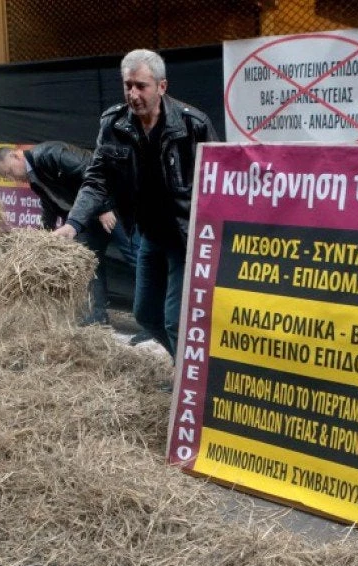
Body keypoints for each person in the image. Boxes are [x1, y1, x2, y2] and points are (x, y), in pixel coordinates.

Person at [55, 49, 218, 357]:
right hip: (149, 235)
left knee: (175, 322)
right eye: (127, 85)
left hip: (186, 236)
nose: (133, 93)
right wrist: (73, 224)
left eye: (141, 85)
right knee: (145, 316)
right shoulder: (114, 125)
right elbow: (96, 179)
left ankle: (189, 385)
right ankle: (184, 371)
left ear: (162, 86)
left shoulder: (192, 124)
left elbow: (218, 180)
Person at [0, 142, 139, 326]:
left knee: (137, 258)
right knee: (89, 262)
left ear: (15, 156)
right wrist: (43, 236)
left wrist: (105, 207)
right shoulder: (34, 177)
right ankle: (97, 316)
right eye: (6, 176)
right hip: (88, 217)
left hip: (113, 206)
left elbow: (93, 171)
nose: (11, 178)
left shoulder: (49, 154)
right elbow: (50, 206)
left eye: (9, 172)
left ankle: (156, 319)